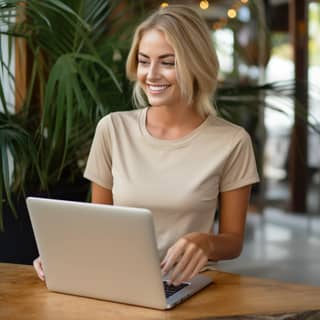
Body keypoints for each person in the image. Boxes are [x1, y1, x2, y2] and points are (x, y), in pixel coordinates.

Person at [33, 4, 259, 286]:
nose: (151, 74)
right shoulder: (113, 129)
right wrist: (63, 253)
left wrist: (207, 243)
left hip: (187, 284)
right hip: (118, 279)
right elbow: (99, 225)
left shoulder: (232, 142)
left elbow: (233, 241)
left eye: (167, 62)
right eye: (143, 60)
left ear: (196, 63)